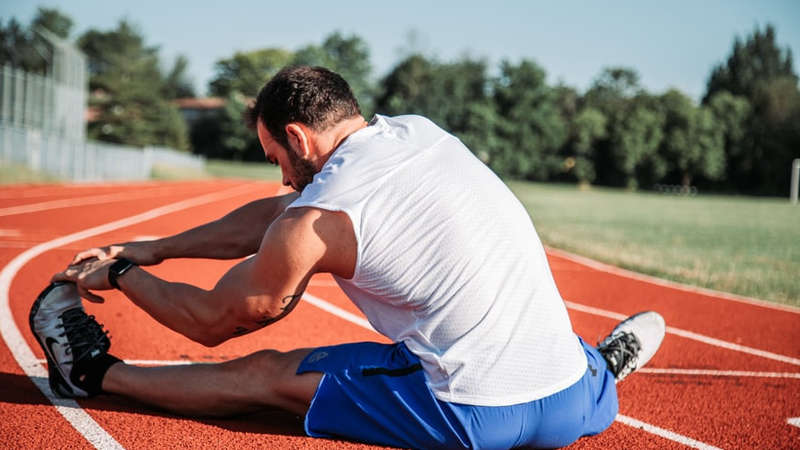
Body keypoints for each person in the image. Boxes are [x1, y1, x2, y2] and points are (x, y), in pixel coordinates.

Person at [30, 66, 666, 450]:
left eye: (276, 159)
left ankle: (91, 374)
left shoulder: (315, 219)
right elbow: (278, 215)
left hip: (472, 415)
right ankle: (602, 367)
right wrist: (156, 248)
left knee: (266, 375)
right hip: (570, 405)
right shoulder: (418, 132)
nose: (280, 178)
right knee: (520, 320)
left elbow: (214, 320)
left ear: (299, 138)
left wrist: (120, 272)